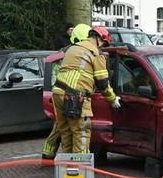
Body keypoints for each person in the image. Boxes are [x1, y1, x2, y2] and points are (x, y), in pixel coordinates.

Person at [49, 25, 119, 158]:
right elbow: (102, 83)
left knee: (66, 131)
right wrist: (113, 99)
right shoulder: (96, 53)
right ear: (99, 39)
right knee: (81, 132)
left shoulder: (73, 48)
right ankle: (80, 170)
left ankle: (68, 167)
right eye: (104, 43)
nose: (102, 47)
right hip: (75, 96)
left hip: (57, 93)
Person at [41, 22, 81, 161]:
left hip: (59, 90)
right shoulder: (72, 51)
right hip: (64, 92)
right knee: (61, 127)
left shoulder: (65, 50)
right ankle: (51, 156)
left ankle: (48, 154)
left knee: (60, 126)